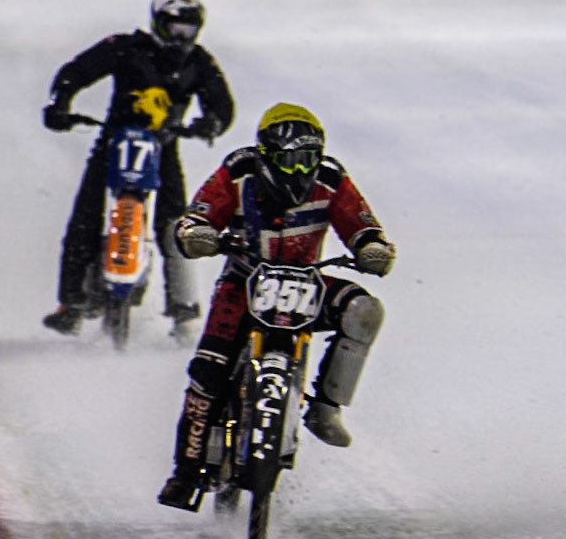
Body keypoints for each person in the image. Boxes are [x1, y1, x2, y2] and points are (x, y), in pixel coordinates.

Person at [156, 103, 397, 511]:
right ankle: (185, 471)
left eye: (308, 161)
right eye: (289, 161)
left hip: (309, 280)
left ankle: (325, 407)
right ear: (266, 155)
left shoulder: (332, 178)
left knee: (364, 311)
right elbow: (196, 216)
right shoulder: (237, 170)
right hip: (242, 285)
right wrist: (198, 234)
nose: (300, 172)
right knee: (207, 374)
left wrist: (372, 247)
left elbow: (361, 223)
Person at [41, 0, 235, 340]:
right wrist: (60, 105)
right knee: (85, 219)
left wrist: (211, 123)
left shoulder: (200, 63)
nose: (180, 38)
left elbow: (223, 106)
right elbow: (75, 72)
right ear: (157, 23)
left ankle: (184, 312)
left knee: (177, 226)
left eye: (188, 30)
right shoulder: (125, 47)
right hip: (115, 143)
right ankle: (71, 304)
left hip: (164, 149)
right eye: (174, 28)